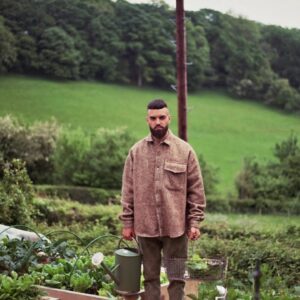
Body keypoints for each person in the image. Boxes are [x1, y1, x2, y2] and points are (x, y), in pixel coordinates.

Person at [119, 99, 206, 300]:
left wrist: (194, 222)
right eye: (153, 118)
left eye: (162, 117)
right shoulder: (136, 152)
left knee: (176, 278)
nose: (158, 121)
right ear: (147, 120)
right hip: (145, 227)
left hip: (175, 228)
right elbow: (128, 190)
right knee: (150, 277)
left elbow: (196, 190)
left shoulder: (185, 151)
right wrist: (127, 222)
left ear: (169, 118)